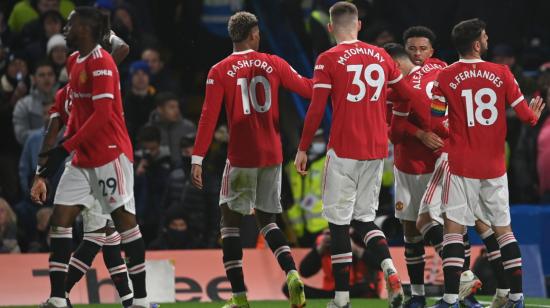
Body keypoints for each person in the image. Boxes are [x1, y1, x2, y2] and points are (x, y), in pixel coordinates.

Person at [294, 2, 419, 307]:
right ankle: (390, 267)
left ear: (330, 28)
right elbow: (408, 95)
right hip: (376, 150)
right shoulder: (381, 55)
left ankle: (341, 298)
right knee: (365, 221)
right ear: (359, 25)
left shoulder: (328, 58)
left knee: (338, 225)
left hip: (344, 150)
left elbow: (315, 108)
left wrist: (303, 147)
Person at [190, 11, 312, 308]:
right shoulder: (274, 63)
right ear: (254, 34)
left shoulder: (219, 70)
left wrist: (198, 157)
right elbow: (308, 89)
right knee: (268, 222)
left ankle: (240, 297)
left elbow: (208, 116)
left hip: (241, 157)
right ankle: (293, 274)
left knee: (229, 224)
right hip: (272, 155)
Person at [32, 7, 147, 308]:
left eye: (71, 26)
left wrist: (100, 33)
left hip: (109, 155)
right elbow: (55, 128)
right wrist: (41, 171)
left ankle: (136, 300)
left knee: (109, 234)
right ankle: (60, 297)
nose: (65, 31)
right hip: (80, 159)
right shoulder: (69, 82)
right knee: (82, 229)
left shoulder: (102, 66)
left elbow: (119, 51)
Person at [429, 18, 545, 308]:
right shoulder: (503, 73)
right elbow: (526, 117)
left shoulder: (443, 78)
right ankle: (517, 298)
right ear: (478, 44)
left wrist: (456, 132)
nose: (488, 39)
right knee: (503, 230)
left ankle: (450, 299)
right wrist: (534, 114)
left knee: (453, 230)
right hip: (494, 166)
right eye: (485, 36)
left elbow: (434, 121)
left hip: (460, 164)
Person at [383, 42, 445, 308]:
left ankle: (461, 284)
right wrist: (420, 133)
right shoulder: (435, 70)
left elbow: (393, 130)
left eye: (423, 48)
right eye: (414, 48)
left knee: (430, 224)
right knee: (411, 229)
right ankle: (418, 295)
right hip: (408, 164)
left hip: (431, 164)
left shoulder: (412, 85)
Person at [290, 229, 383, 299]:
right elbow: (305, 272)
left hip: (355, 289)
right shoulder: (324, 240)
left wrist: (355, 249)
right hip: (330, 292)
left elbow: (380, 264)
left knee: (365, 289)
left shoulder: (362, 238)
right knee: (291, 287)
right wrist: (320, 249)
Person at [285, 129, 329, 247]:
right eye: (316, 139)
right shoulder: (291, 167)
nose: (320, 142)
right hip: (299, 231)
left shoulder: (329, 162)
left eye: (321, 138)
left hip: (324, 227)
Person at [13, 59, 58, 145]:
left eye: (50, 74)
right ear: (34, 79)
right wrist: (46, 130)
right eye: (41, 75)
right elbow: (21, 136)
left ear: (55, 78)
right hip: (34, 154)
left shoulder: (65, 102)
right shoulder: (23, 105)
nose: (46, 78)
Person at [147, 92, 196, 166]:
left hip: (185, 171)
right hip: (157, 172)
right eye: (172, 107)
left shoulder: (189, 127)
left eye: (177, 107)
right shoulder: (149, 129)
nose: (177, 111)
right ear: (160, 109)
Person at [123, 60, 156, 142]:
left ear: (149, 77)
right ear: (131, 77)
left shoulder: (157, 100)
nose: (140, 77)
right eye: (136, 74)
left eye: (144, 74)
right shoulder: (123, 100)